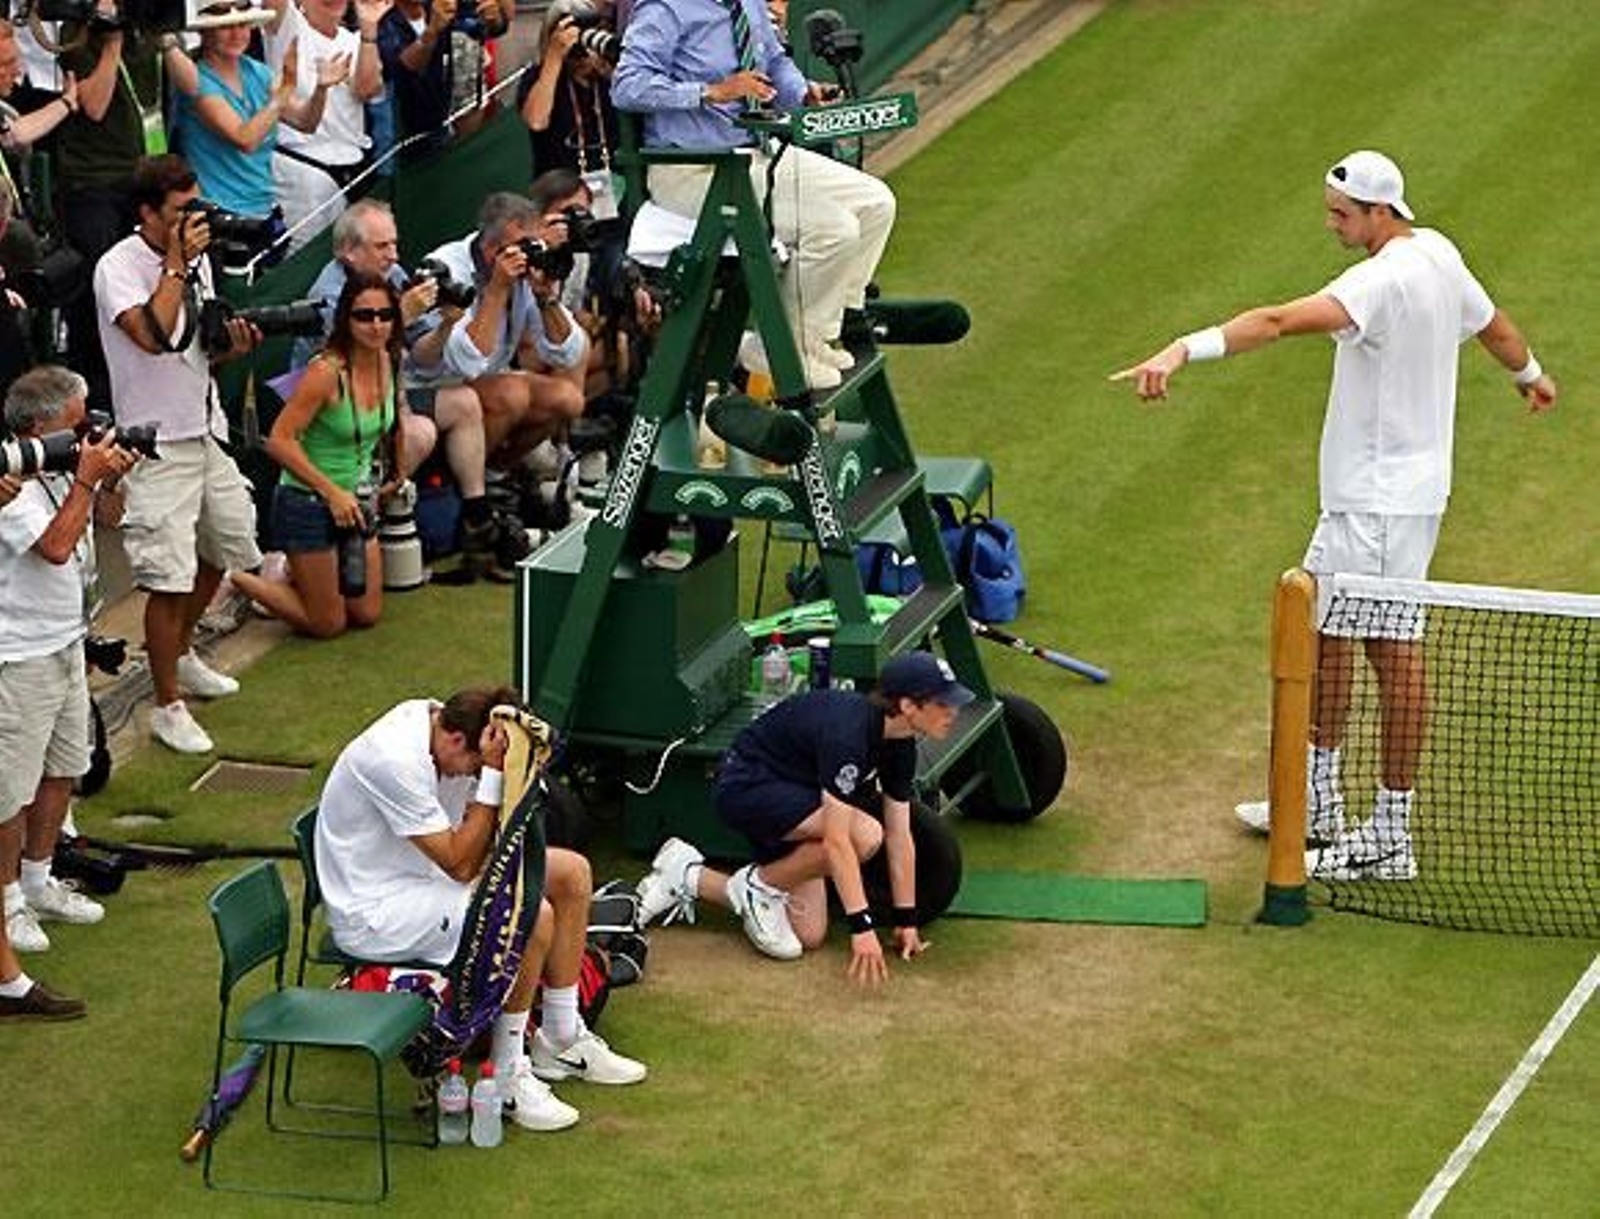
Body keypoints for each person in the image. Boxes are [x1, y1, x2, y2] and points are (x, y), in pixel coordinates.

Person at [1111, 149, 1558, 881]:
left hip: (1380, 504)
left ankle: (1390, 833)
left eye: (1342, 214)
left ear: (1383, 212)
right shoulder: (1440, 253)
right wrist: (1532, 377)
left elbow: (1279, 320)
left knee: (1390, 653)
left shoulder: (1377, 281)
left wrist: (1184, 348)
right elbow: (1497, 329)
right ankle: (1315, 801)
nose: (1332, 223)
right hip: (1374, 499)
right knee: (1319, 635)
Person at [316, 686, 648, 1130]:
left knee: (573, 874)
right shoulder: (391, 761)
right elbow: (460, 863)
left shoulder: (445, 727)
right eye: (474, 765)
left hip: (428, 879)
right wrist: (492, 775)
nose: (472, 774)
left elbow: (484, 842)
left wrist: (521, 771)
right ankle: (510, 1075)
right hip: (377, 911)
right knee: (530, 917)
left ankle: (562, 1037)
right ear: (456, 741)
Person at [612, 0, 896, 391]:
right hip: (691, 168)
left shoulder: (747, 3)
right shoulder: (665, 8)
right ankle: (776, 347)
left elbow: (775, 60)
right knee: (834, 229)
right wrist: (713, 91)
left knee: (875, 203)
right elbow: (627, 86)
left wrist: (803, 93)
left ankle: (816, 333)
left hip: (753, 154)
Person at [636, 651, 964, 987]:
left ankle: (687, 876)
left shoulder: (901, 744)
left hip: (800, 798)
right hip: (746, 788)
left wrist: (906, 919)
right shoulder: (847, 735)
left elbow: (901, 834)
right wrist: (862, 926)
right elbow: (838, 840)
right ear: (908, 706)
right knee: (864, 835)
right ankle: (759, 885)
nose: (953, 712)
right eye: (943, 704)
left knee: (808, 936)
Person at [93, 154, 263, 756]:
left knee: (223, 551)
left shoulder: (197, 261)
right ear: (146, 214)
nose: (194, 220)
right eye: (179, 212)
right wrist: (175, 265)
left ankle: (182, 652)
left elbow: (196, 349)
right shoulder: (118, 266)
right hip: (154, 444)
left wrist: (231, 348)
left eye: (197, 206)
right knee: (167, 581)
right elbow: (154, 337)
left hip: (204, 430)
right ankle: (167, 705)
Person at [0, 366, 139, 1021]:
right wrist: (85, 476)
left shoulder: (66, 471)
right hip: (16, 656)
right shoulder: (13, 481)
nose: (90, 432)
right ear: (37, 428)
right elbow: (56, 546)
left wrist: (111, 478)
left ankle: (38, 878)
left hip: (64, 641)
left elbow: (105, 521)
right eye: (78, 424)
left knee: (64, 770)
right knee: (10, 792)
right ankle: (8, 904)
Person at [228, 272, 401, 638]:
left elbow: (390, 420)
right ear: (345, 320)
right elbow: (278, 440)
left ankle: (297, 573)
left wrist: (395, 472)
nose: (376, 325)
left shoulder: (388, 360)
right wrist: (331, 492)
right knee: (328, 624)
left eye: (385, 315)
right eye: (364, 316)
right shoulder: (325, 371)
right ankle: (234, 578)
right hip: (306, 502)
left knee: (366, 613)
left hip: (355, 503)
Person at [410, 191, 586, 472]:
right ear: (492, 248)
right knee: (511, 394)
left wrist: (545, 297)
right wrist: (496, 291)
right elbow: (464, 362)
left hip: (492, 379)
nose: (528, 254)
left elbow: (567, 353)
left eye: (532, 244)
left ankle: (496, 472)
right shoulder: (446, 268)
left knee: (568, 400)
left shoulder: (522, 273)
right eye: (521, 245)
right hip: (438, 386)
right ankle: (454, 480)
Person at [164, 10, 352, 264]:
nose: (237, 34)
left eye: (244, 25)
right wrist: (280, 98)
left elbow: (305, 122)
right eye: (225, 27)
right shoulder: (197, 79)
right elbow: (245, 139)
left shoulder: (257, 71)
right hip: (220, 218)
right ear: (204, 32)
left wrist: (321, 88)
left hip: (263, 211)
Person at [56, 3, 166, 410]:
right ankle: (96, 395)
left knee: (143, 279)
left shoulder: (146, 28)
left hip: (138, 175)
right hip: (92, 183)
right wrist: (112, 41)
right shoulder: (77, 34)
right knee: (99, 290)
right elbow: (96, 105)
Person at [262, 0, 391, 252]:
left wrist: (368, 31)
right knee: (303, 259)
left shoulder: (352, 40)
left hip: (352, 170)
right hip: (303, 169)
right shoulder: (289, 27)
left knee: (350, 259)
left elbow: (367, 90)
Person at [518, 0, 621, 213]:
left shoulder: (607, 76)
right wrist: (554, 57)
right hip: (559, 198)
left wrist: (606, 70)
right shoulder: (539, 77)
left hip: (615, 190)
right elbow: (537, 121)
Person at [379, 0, 508, 158]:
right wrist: (432, 31)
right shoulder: (380, 19)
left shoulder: (437, 7)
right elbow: (403, 70)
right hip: (397, 139)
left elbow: (479, 30)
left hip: (437, 125)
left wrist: (491, 18)